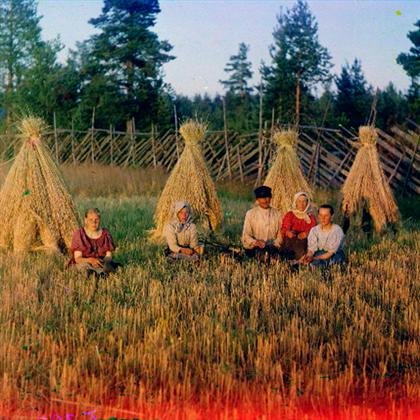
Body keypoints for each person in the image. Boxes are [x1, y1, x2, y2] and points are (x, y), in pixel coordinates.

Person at [69, 208, 120, 275]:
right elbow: (78, 259)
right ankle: (93, 274)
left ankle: (101, 273)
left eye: (96, 219)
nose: (94, 222)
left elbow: (109, 256)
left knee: (108, 266)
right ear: (85, 220)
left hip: (101, 263)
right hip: (85, 263)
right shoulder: (80, 234)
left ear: (99, 220)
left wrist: (101, 262)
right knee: (84, 268)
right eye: (91, 220)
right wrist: (91, 260)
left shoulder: (105, 234)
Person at [241, 186, 282, 261]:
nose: (265, 200)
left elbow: (280, 234)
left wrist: (274, 244)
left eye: (267, 197)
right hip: (255, 248)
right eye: (262, 198)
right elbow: (246, 235)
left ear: (270, 198)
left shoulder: (277, 214)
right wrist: (256, 242)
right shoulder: (251, 213)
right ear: (257, 200)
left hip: (272, 247)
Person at [280, 192, 317, 261]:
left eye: (304, 201)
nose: (301, 204)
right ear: (295, 202)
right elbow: (284, 229)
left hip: (305, 243)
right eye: (299, 201)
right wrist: (288, 233)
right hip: (291, 242)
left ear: (307, 203)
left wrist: (307, 234)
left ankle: (301, 259)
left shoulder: (311, 217)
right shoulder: (290, 215)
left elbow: (315, 232)